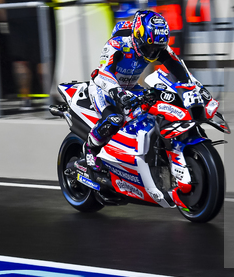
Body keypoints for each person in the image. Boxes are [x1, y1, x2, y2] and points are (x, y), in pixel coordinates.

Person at [83, 10, 196, 172]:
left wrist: (192, 89)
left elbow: (180, 70)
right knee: (115, 118)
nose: (152, 52)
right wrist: (117, 92)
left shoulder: (157, 45)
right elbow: (102, 73)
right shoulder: (118, 44)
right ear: (138, 35)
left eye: (156, 49)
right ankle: (89, 150)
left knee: (155, 112)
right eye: (149, 47)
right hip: (105, 88)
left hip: (132, 88)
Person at [0, 0, 51, 110]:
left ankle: (25, 99)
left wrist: (3, 21)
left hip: (15, 16)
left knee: (20, 60)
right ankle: (49, 97)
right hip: (38, 14)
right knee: (43, 58)